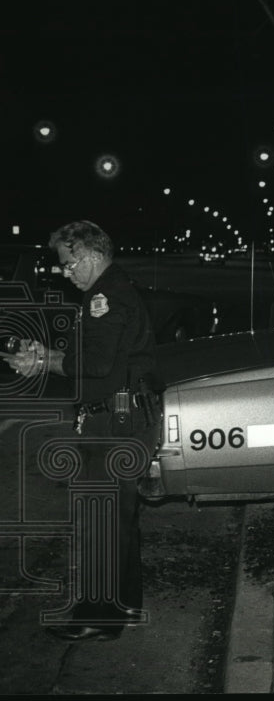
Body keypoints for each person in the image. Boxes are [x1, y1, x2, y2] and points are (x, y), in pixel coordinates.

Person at [1, 221, 161, 642]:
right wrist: (47, 354)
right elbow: (95, 356)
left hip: (115, 421)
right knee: (117, 521)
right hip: (122, 417)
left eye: (69, 265)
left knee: (98, 521)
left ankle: (98, 618)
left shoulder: (104, 298)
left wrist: (42, 364)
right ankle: (121, 608)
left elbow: (97, 365)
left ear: (91, 255)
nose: (66, 273)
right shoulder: (110, 290)